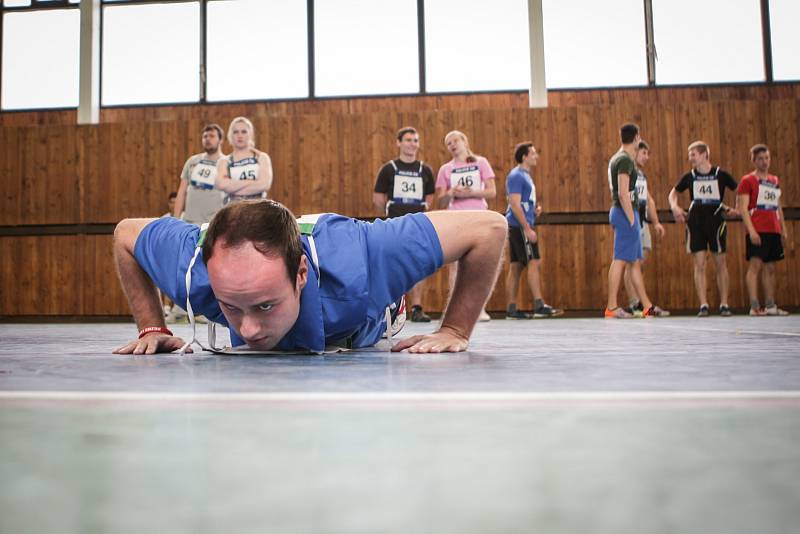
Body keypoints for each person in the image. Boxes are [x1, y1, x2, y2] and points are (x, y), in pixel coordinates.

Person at [112, 199, 508, 355]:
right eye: (230, 306)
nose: (248, 330)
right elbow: (126, 233)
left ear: (301, 273)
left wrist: (455, 329)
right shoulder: (191, 268)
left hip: (366, 315)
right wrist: (151, 327)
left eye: (266, 304)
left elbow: (488, 228)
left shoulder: (370, 254)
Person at [372, 126, 436, 323]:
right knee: (393, 264)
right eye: (408, 140)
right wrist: (394, 210)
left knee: (419, 264)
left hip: (417, 223)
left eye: (415, 140)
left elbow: (430, 196)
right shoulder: (388, 169)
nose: (412, 144)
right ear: (398, 142)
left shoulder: (425, 170)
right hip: (394, 223)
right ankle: (392, 308)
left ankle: (417, 308)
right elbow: (378, 197)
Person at [668, 141, 738, 317]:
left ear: (704, 154)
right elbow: (673, 193)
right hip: (696, 222)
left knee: (720, 262)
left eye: (693, 154)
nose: (690, 158)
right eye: (689, 154)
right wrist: (675, 207)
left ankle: (724, 304)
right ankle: (703, 304)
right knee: (699, 264)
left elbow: (740, 189)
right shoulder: (689, 176)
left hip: (716, 221)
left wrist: (736, 208)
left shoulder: (720, 174)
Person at [435, 130, 497, 321]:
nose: (452, 145)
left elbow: (492, 192)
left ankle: (479, 308)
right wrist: (451, 192)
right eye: (448, 143)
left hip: (478, 215)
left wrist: (471, 193)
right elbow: (440, 201)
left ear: (464, 141)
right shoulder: (445, 169)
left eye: (455, 141)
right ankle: (455, 310)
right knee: (455, 265)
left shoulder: (481, 162)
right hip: (456, 218)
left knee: (480, 263)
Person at [605, 123, 665, 318]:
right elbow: (623, 194)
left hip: (627, 213)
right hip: (625, 213)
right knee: (620, 260)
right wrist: (632, 219)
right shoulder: (624, 160)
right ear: (637, 137)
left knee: (634, 263)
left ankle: (646, 305)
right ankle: (612, 306)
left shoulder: (620, 158)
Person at [503, 142, 562, 319]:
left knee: (516, 266)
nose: (536, 156)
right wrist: (527, 228)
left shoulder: (525, 176)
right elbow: (513, 203)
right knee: (533, 261)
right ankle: (538, 304)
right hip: (519, 226)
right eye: (533, 153)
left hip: (519, 224)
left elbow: (522, 201)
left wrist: (534, 208)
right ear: (524, 157)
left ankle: (511, 309)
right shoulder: (516, 176)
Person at [736, 144, 789, 316]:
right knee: (755, 266)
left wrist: (783, 229)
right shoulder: (747, 181)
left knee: (770, 267)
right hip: (758, 228)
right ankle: (754, 306)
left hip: (773, 228)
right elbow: (743, 208)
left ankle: (771, 305)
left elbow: (778, 206)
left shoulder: (774, 180)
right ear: (753, 160)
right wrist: (751, 231)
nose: (764, 162)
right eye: (760, 159)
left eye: (767, 158)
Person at [623, 140, 668, 316]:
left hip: (643, 221)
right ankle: (635, 303)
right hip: (631, 220)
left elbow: (649, 200)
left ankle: (640, 302)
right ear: (635, 152)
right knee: (631, 263)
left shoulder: (641, 175)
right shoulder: (627, 171)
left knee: (640, 260)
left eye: (648, 154)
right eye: (644, 153)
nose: (646, 157)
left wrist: (655, 222)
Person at [173, 124, 226, 225]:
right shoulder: (192, 161)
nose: (207, 139)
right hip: (190, 221)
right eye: (205, 136)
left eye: (212, 136)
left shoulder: (226, 163)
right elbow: (182, 191)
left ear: (221, 140)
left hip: (214, 222)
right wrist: (175, 219)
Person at [216, 117, 273, 205]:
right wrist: (252, 182)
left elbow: (264, 184)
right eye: (235, 132)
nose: (239, 135)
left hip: (258, 209)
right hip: (232, 210)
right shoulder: (224, 161)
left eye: (244, 131)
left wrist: (233, 187)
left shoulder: (262, 158)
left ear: (250, 135)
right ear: (230, 135)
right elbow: (222, 185)